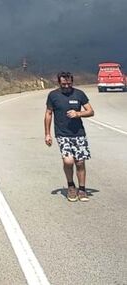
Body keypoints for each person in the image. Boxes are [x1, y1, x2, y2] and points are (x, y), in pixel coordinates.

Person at [44, 71, 94, 202]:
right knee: (68, 161)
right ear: (59, 82)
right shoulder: (53, 95)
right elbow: (48, 114)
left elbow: (90, 111)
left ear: (72, 82)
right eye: (64, 83)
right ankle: (71, 186)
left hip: (78, 133)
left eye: (69, 83)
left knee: (80, 162)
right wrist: (47, 134)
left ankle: (82, 189)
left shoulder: (79, 94)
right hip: (62, 134)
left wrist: (78, 114)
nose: (66, 86)